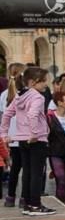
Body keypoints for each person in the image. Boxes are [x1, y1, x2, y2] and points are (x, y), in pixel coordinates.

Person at [0, 66, 53, 215]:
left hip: (22, 139)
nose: (45, 85)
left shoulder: (19, 96)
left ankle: (28, 204)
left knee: (27, 172)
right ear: (33, 82)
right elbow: (32, 114)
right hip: (36, 140)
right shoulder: (37, 97)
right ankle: (35, 205)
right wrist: (35, 132)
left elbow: (7, 114)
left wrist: (4, 133)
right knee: (36, 173)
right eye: (43, 82)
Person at [1, 63, 25, 208]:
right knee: (27, 169)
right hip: (23, 135)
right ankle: (24, 198)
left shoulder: (4, 95)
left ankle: (10, 197)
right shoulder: (25, 93)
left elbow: (2, 116)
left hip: (10, 136)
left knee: (14, 169)